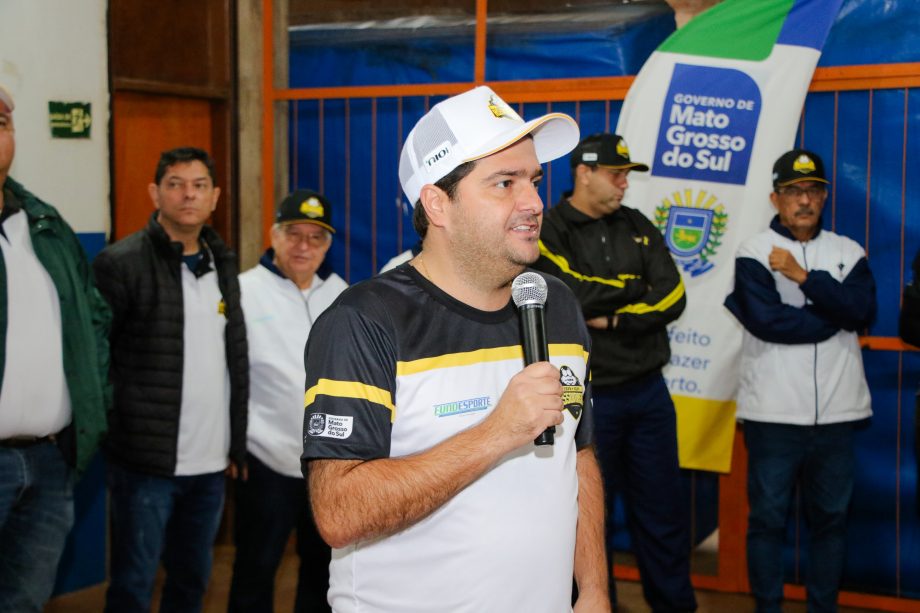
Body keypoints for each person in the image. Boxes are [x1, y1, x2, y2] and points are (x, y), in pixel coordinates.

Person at [302, 85, 610, 612]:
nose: (534, 203)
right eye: (504, 183)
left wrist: (596, 588)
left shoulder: (553, 303)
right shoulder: (365, 320)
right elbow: (339, 511)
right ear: (437, 203)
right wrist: (497, 431)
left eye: (534, 181)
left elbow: (575, 456)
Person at [533, 133, 695, 612]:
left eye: (627, 175)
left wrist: (615, 317)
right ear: (583, 172)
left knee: (663, 516)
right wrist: (631, 288)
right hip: (589, 401)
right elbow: (565, 293)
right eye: (616, 174)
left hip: (648, 395)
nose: (625, 184)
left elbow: (672, 296)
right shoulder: (551, 228)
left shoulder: (639, 225)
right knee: (588, 520)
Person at [93, 147, 248, 612]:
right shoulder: (120, 264)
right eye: (176, 184)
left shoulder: (223, 262)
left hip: (210, 463)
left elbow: (234, 357)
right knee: (133, 585)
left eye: (199, 186)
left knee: (192, 581)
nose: (188, 195)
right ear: (154, 193)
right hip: (146, 465)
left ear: (215, 196)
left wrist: (235, 445)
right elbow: (98, 360)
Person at [725, 149, 876, 613]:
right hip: (773, 414)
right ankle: (767, 607)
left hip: (838, 413)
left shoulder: (848, 251)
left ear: (825, 195)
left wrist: (804, 279)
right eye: (793, 191)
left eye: (813, 190)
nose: (804, 200)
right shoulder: (752, 251)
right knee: (768, 521)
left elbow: (863, 312)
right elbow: (768, 322)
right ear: (776, 198)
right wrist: (832, 316)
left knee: (830, 520)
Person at [0, 84, 110, 612]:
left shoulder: (45, 224)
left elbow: (94, 321)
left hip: (50, 461)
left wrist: (96, 405)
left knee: (25, 599)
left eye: (1, 125)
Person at [228, 189, 346, 612]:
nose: (303, 246)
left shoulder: (343, 294)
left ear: (328, 245)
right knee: (255, 570)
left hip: (328, 464)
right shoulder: (242, 291)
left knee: (322, 572)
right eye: (294, 234)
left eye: (316, 238)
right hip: (265, 461)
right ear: (274, 235)